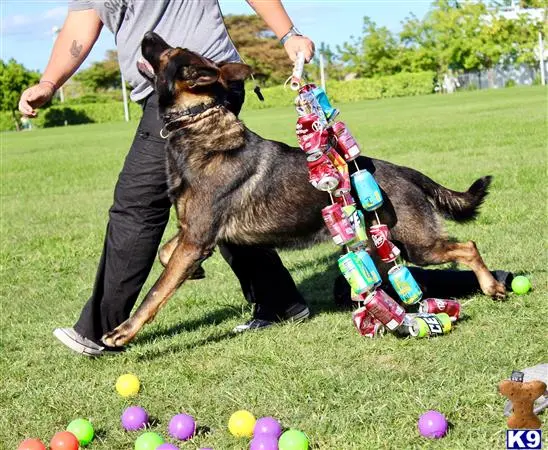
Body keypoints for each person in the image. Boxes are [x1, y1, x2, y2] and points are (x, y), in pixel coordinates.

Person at [19, 1, 315, 357]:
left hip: (197, 84)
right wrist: (50, 83)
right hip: (163, 92)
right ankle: (281, 302)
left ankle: (100, 330)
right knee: (221, 201)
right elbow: (81, 26)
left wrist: (288, 33)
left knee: (138, 204)